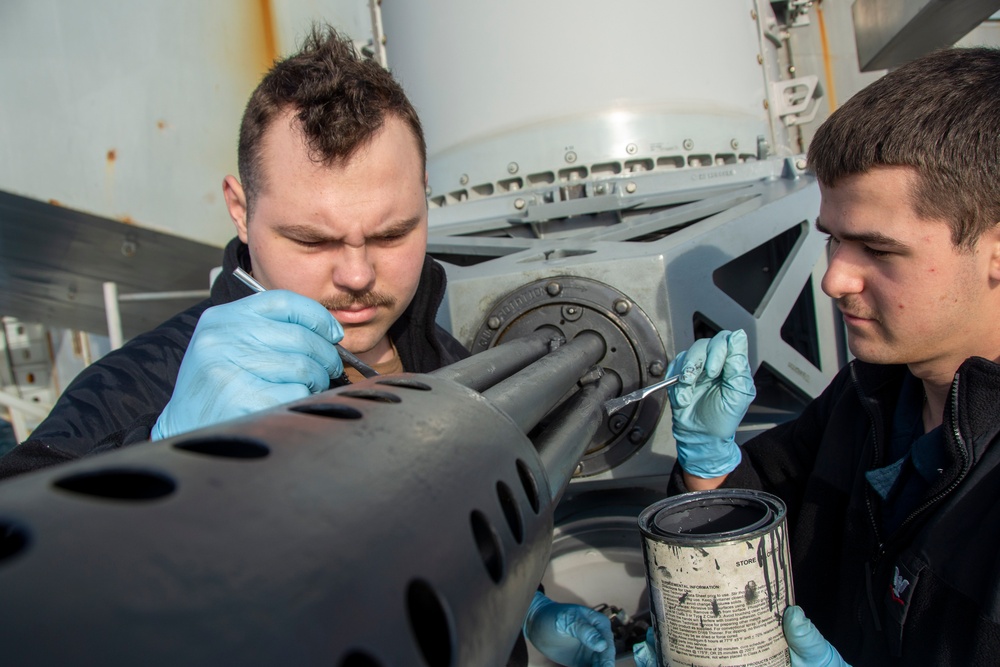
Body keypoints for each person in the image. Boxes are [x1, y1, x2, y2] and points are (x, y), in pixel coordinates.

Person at [0, 23, 613, 667]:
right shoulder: (136, 390)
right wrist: (156, 459)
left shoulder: (448, 359)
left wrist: (526, 603)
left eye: (392, 233)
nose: (355, 276)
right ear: (240, 209)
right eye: (311, 241)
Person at [635, 47, 1000, 666]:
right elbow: (758, 524)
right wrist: (709, 474)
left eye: (878, 250)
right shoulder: (872, 397)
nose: (834, 281)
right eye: (834, 239)